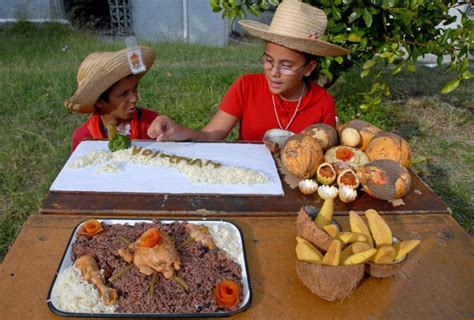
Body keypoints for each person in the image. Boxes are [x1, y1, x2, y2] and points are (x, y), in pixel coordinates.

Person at [147, 0, 348, 142]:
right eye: (268, 60)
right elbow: (212, 134)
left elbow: (325, 152)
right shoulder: (247, 86)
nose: (274, 72)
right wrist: (179, 131)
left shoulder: (322, 102)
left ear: (309, 68)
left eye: (286, 66)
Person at [64, 46, 159, 151]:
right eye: (123, 94)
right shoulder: (84, 138)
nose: (134, 98)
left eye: (134, 89)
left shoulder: (151, 124)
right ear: (99, 101)